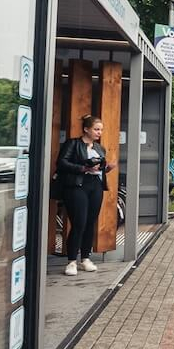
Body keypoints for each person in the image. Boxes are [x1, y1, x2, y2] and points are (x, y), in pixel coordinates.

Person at [57, 114, 113, 275]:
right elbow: (61, 163)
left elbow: (100, 167)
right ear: (86, 129)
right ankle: (71, 261)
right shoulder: (73, 144)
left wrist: (107, 167)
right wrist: (84, 168)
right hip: (77, 185)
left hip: (95, 186)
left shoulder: (99, 148)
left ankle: (86, 258)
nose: (99, 132)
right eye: (96, 129)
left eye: (101, 130)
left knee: (90, 222)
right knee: (79, 222)